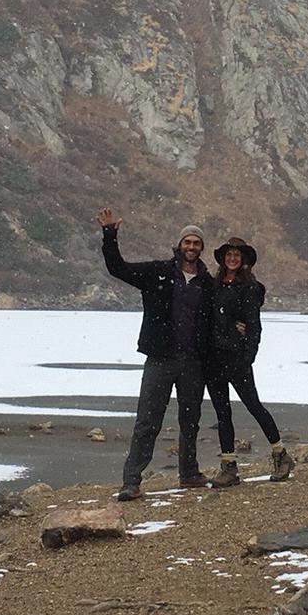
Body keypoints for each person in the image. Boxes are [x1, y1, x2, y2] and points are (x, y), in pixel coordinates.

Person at [98, 208, 214, 500]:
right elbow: (118, 268)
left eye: (196, 243)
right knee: (148, 420)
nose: (191, 247)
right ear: (180, 245)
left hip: (193, 363)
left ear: (202, 248)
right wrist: (110, 236)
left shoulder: (207, 284)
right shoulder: (157, 272)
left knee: (190, 420)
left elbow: (226, 310)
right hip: (160, 359)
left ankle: (188, 474)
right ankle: (132, 481)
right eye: (187, 242)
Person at [203, 236, 291, 486]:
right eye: (228, 254)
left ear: (243, 260)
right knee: (222, 413)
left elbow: (254, 327)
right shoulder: (215, 285)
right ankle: (229, 467)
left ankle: (280, 453)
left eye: (236, 255)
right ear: (223, 259)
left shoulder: (249, 288)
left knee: (254, 406)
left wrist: (247, 357)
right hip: (214, 358)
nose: (232, 258)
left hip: (236, 358)